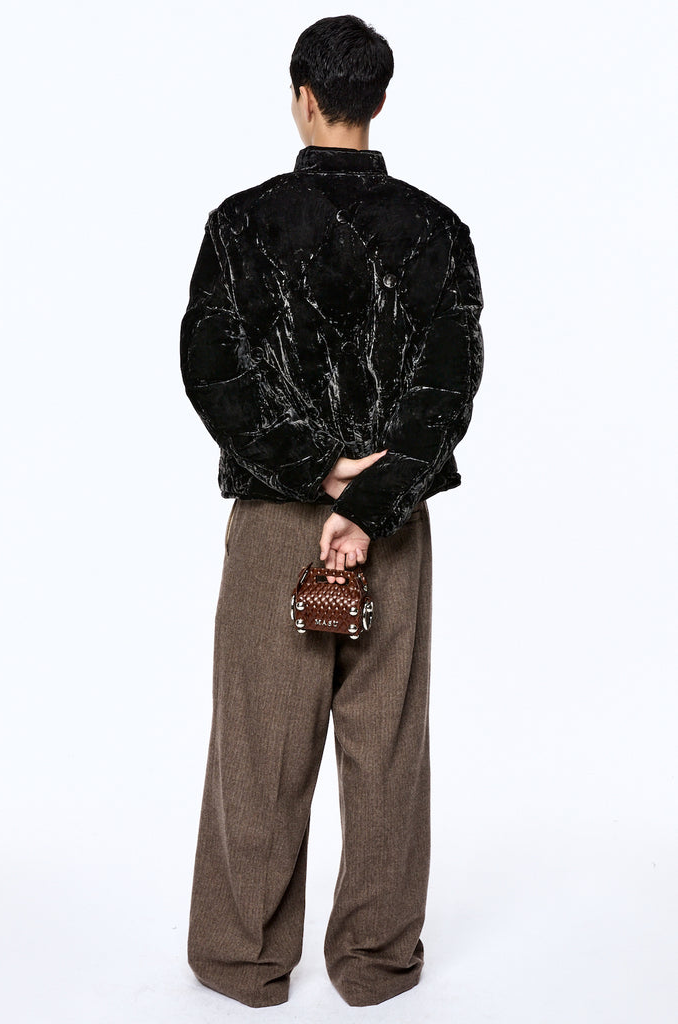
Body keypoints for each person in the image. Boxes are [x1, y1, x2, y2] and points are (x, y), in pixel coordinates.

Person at [180, 13, 484, 1009]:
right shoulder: (436, 230)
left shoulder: (241, 224)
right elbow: (447, 387)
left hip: (278, 521)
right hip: (391, 523)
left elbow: (215, 372)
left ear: (302, 96)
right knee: (385, 745)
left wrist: (315, 472)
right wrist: (371, 494)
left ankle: (242, 961)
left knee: (259, 742)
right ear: (379, 100)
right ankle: (377, 962)